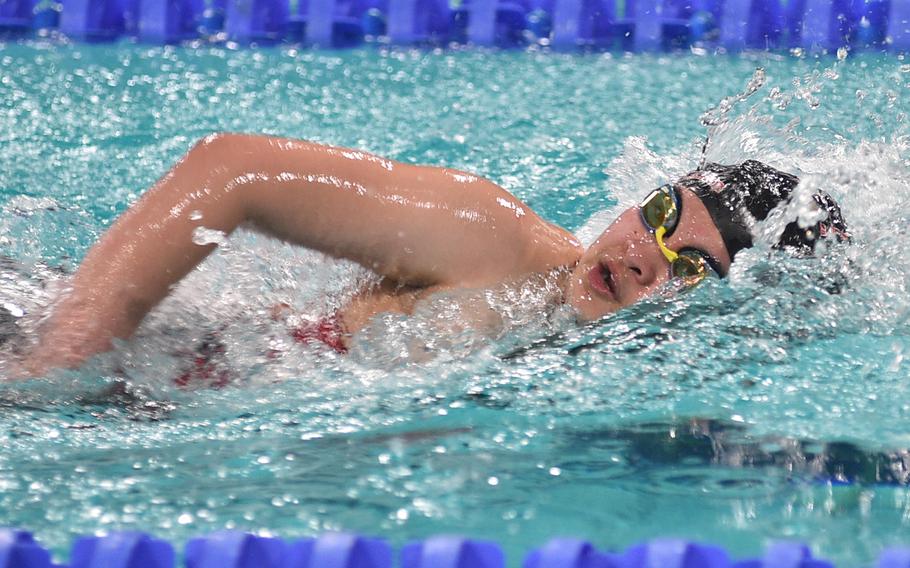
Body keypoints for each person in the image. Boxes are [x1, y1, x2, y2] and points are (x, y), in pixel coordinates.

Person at [12, 133, 849, 378]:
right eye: (661, 214)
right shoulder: (494, 239)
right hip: (92, 348)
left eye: (690, 266)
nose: (642, 256)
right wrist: (70, 349)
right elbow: (230, 169)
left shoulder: (602, 368)